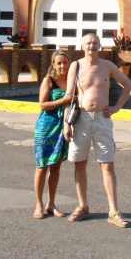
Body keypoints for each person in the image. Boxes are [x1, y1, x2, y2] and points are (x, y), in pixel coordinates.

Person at [64, 33, 131, 228]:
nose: (91, 46)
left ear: (99, 46)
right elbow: (69, 96)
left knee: (107, 164)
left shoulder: (108, 66)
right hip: (81, 119)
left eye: (94, 43)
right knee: (80, 163)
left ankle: (113, 210)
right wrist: (66, 124)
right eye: (88, 43)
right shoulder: (75, 66)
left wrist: (116, 107)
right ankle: (83, 206)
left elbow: (127, 85)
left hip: (102, 120)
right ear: (82, 46)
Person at [33, 49, 72, 219]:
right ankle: (39, 205)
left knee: (56, 168)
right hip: (46, 127)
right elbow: (42, 105)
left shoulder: (71, 81)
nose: (63, 66)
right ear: (53, 65)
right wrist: (62, 100)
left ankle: (51, 204)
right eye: (59, 63)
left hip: (63, 127)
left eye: (65, 62)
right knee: (42, 166)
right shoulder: (48, 80)